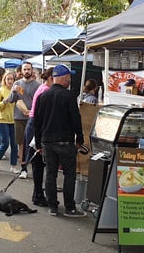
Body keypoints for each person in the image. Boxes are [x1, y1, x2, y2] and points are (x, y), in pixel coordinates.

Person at [34, 64, 86, 217]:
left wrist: (38, 143)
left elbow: (37, 122)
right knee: (69, 174)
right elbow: (76, 119)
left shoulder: (43, 96)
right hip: (65, 142)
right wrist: (80, 139)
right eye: (69, 77)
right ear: (63, 78)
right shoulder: (69, 96)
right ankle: (69, 207)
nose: (70, 80)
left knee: (51, 173)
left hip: (47, 142)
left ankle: (53, 207)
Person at [24, 67, 54, 207]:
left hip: (33, 124)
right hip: (36, 125)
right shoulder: (45, 91)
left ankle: (38, 194)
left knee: (38, 163)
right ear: (51, 78)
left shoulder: (42, 88)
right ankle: (38, 195)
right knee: (38, 163)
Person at [6, 61, 40, 179]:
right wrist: (14, 91)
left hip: (32, 118)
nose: (26, 71)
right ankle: (23, 168)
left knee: (32, 144)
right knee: (21, 143)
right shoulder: (17, 83)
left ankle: (34, 167)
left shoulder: (37, 85)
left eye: (28, 69)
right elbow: (11, 100)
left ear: (32, 71)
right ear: (21, 71)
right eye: (24, 69)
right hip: (19, 117)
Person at [0, 72, 18, 173]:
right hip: (2, 119)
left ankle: (13, 165)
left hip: (14, 119)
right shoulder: (0, 91)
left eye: (12, 79)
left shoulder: (16, 91)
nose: (10, 81)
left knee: (14, 144)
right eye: (8, 79)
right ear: (4, 80)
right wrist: (5, 101)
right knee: (5, 143)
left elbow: (20, 102)